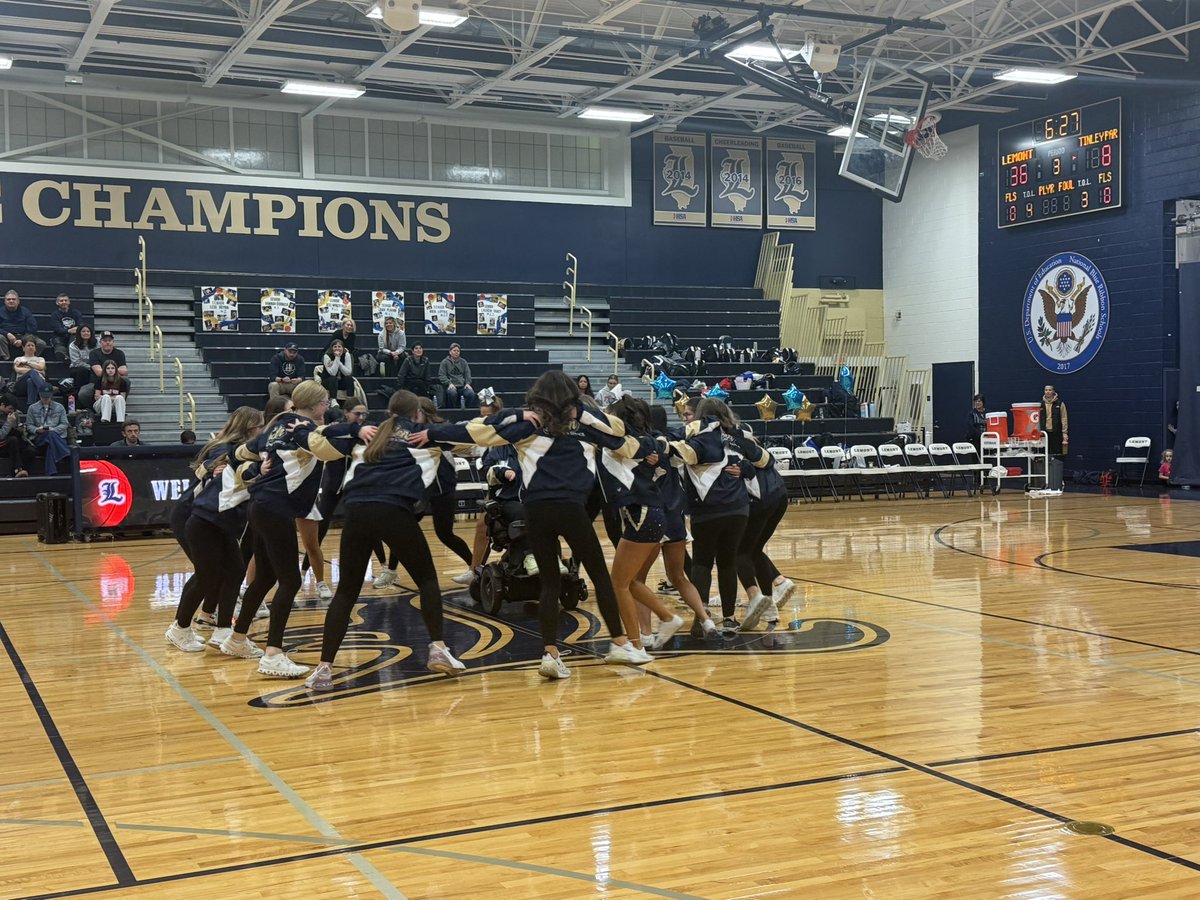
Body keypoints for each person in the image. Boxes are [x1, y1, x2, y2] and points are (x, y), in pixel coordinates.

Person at [410, 369, 650, 679]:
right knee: (599, 576)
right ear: (571, 397)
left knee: (549, 583)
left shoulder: (526, 426)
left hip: (534, 511)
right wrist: (582, 413)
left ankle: (550, 654)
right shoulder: (585, 427)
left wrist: (432, 434)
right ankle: (618, 643)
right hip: (571, 509)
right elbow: (618, 432)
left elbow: (478, 430)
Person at [305, 390, 467, 691]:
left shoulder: (369, 434)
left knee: (346, 592)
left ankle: (323, 668)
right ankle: (438, 648)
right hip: (393, 508)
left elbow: (318, 438)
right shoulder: (423, 434)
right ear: (416, 413)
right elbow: (470, 435)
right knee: (428, 580)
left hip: (355, 511)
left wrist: (352, 427)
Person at [221, 381, 374, 677]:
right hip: (276, 507)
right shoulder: (304, 428)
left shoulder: (278, 427)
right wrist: (357, 433)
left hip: (262, 505)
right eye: (326, 402)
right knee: (290, 581)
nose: (327, 406)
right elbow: (330, 442)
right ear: (317, 405)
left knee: (265, 576)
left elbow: (237, 453)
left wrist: (254, 470)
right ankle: (273, 654)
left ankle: (237, 638)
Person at [164, 407, 265, 652]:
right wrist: (210, 469)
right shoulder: (226, 449)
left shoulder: (240, 449)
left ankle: (221, 629)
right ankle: (180, 627)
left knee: (233, 570)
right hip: (195, 514)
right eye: (261, 426)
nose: (264, 430)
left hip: (216, 517)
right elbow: (212, 464)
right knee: (207, 575)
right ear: (251, 428)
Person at [597, 396, 685, 654]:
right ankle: (666, 620)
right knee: (629, 580)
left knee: (619, 583)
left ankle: (636, 643)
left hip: (643, 513)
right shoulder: (637, 443)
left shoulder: (624, 444)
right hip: (648, 513)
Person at [670, 397, 751, 635]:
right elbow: (760, 459)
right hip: (738, 508)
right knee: (728, 563)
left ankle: (701, 618)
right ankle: (728, 619)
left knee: (702, 563)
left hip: (707, 509)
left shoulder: (699, 438)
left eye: (689, 415)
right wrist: (746, 468)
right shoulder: (738, 435)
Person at [731, 422, 790, 631]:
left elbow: (747, 468)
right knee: (754, 550)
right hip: (779, 495)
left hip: (760, 499)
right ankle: (770, 603)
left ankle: (755, 598)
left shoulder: (732, 444)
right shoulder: (752, 444)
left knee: (739, 552)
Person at [25, 386, 69, 474]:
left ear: (51, 396)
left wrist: (54, 429)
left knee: (51, 442)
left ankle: (51, 472)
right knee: (50, 435)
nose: (45, 399)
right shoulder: (32, 408)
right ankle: (67, 454)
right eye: (43, 397)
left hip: (56, 437)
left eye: (47, 397)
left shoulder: (59, 407)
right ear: (40, 396)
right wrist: (37, 430)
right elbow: (29, 425)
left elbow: (65, 424)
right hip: (40, 437)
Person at [83, 331, 128, 412]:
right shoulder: (94, 353)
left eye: (110, 340)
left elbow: (124, 371)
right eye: (105, 340)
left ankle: (120, 406)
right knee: (83, 393)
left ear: (113, 342)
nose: (107, 342)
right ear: (100, 342)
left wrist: (107, 369)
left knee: (126, 381)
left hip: (115, 381)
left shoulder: (119, 353)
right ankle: (94, 410)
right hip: (97, 382)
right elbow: (98, 373)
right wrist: (114, 369)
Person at [1041, 384, 1068, 490]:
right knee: (1044, 456)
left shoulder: (1060, 404)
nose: (1047, 392)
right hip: (1044, 434)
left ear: (1053, 391)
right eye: (1046, 390)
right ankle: (1045, 479)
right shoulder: (1040, 404)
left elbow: (1064, 419)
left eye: (1049, 390)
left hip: (1056, 433)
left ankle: (1057, 479)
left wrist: (1064, 433)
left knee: (1057, 456)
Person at [0, 395, 35, 477]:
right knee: (13, 440)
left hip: (14, 441)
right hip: (3, 443)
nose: (12, 411)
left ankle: (21, 472)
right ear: (2, 405)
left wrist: (21, 430)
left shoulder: (15, 414)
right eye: (10, 408)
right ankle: (17, 469)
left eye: (14, 409)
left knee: (30, 450)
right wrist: (9, 423)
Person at [0, 290, 39, 360]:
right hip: (5, 337)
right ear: (5, 301)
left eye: (13, 299)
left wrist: (23, 339)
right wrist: (7, 334)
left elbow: (33, 327)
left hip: (23, 336)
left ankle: (29, 359)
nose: (11, 301)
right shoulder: (0, 311)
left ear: (18, 301)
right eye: (8, 299)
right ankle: (5, 360)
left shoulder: (25, 311)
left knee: (41, 343)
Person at [12, 338, 48, 408]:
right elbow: (18, 370)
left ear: (35, 348)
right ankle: (45, 392)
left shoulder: (40, 359)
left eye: (32, 345)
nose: (31, 347)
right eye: (28, 345)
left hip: (36, 385)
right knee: (32, 372)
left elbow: (41, 367)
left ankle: (31, 406)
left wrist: (26, 363)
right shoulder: (18, 359)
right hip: (21, 386)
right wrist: (35, 371)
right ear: (23, 348)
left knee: (30, 381)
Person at [437, 342, 475, 408]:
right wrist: (449, 383)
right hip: (450, 385)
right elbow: (442, 375)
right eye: (454, 350)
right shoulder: (444, 362)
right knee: (452, 393)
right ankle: (452, 410)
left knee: (471, 393)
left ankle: (466, 409)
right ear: (450, 352)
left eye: (458, 351)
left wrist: (467, 383)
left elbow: (467, 374)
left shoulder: (463, 362)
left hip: (462, 386)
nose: (456, 352)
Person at [320, 338, 355, 407]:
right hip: (328, 380)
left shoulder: (347, 355)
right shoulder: (326, 356)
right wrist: (337, 358)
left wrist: (338, 362)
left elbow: (348, 372)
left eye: (339, 347)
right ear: (332, 348)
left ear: (343, 348)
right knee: (333, 378)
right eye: (335, 347)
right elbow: (332, 373)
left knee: (349, 378)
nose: (337, 349)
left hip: (341, 380)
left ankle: (350, 399)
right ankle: (333, 400)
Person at [67, 324, 97, 399]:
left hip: (94, 367)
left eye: (88, 331)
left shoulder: (97, 343)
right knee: (82, 371)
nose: (86, 333)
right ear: (79, 333)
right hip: (77, 368)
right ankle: (79, 397)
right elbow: (76, 362)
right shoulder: (73, 345)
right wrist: (91, 367)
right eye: (83, 331)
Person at [49, 293, 80, 361]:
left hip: (73, 336)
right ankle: (65, 357)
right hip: (60, 337)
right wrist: (69, 330)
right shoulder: (55, 315)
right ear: (57, 303)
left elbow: (81, 325)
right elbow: (58, 329)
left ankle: (70, 357)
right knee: (59, 346)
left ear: (69, 302)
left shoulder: (76, 313)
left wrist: (77, 329)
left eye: (66, 300)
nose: (64, 302)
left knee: (75, 338)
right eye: (61, 301)